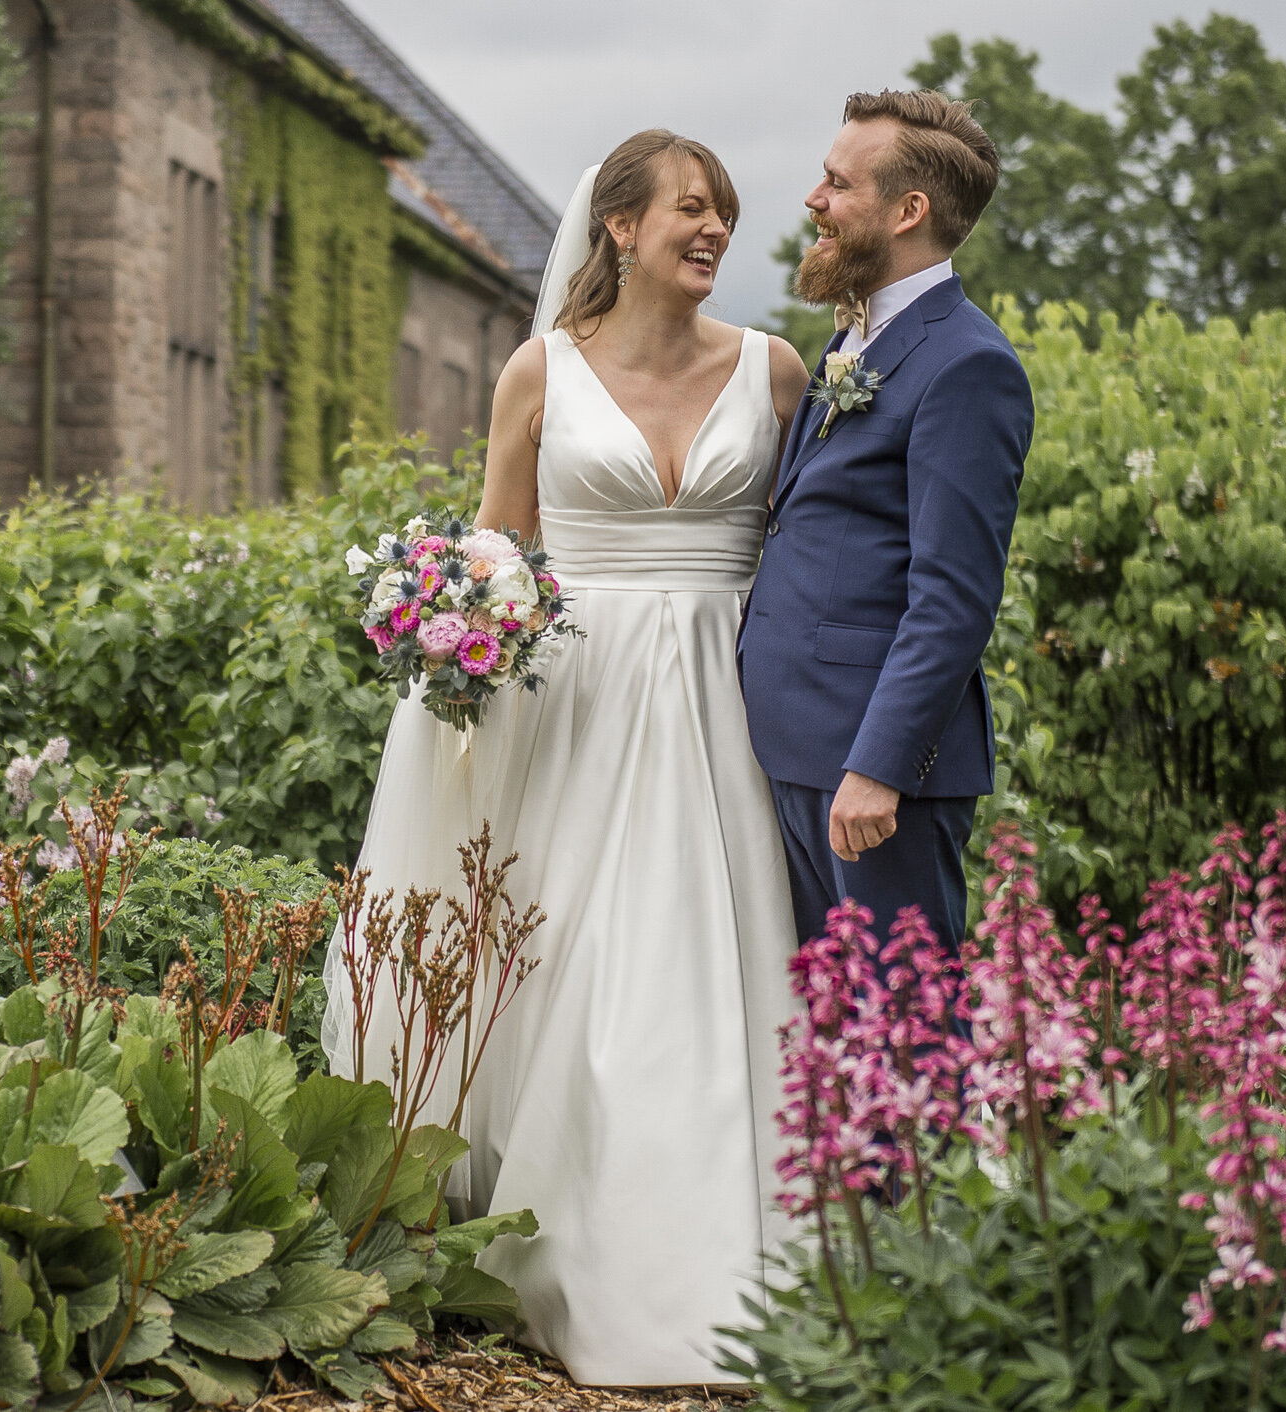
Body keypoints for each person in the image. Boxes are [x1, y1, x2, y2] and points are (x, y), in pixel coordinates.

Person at [322, 129, 809, 1386]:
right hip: (580, 704)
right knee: (578, 965)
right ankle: (563, 1254)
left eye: (725, 213)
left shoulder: (778, 370)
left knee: (713, 955)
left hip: (726, 697)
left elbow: (811, 550)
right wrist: (456, 626)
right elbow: (500, 551)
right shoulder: (539, 372)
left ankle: (720, 1259)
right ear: (619, 227)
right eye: (690, 210)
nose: (713, 232)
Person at [738, 91, 1031, 965]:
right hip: (796, 747)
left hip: (871, 778)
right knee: (833, 1044)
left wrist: (880, 767)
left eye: (837, 183)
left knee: (905, 1041)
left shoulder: (968, 365)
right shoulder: (849, 345)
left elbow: (955, 598)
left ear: (909, 212)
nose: (813, 200)